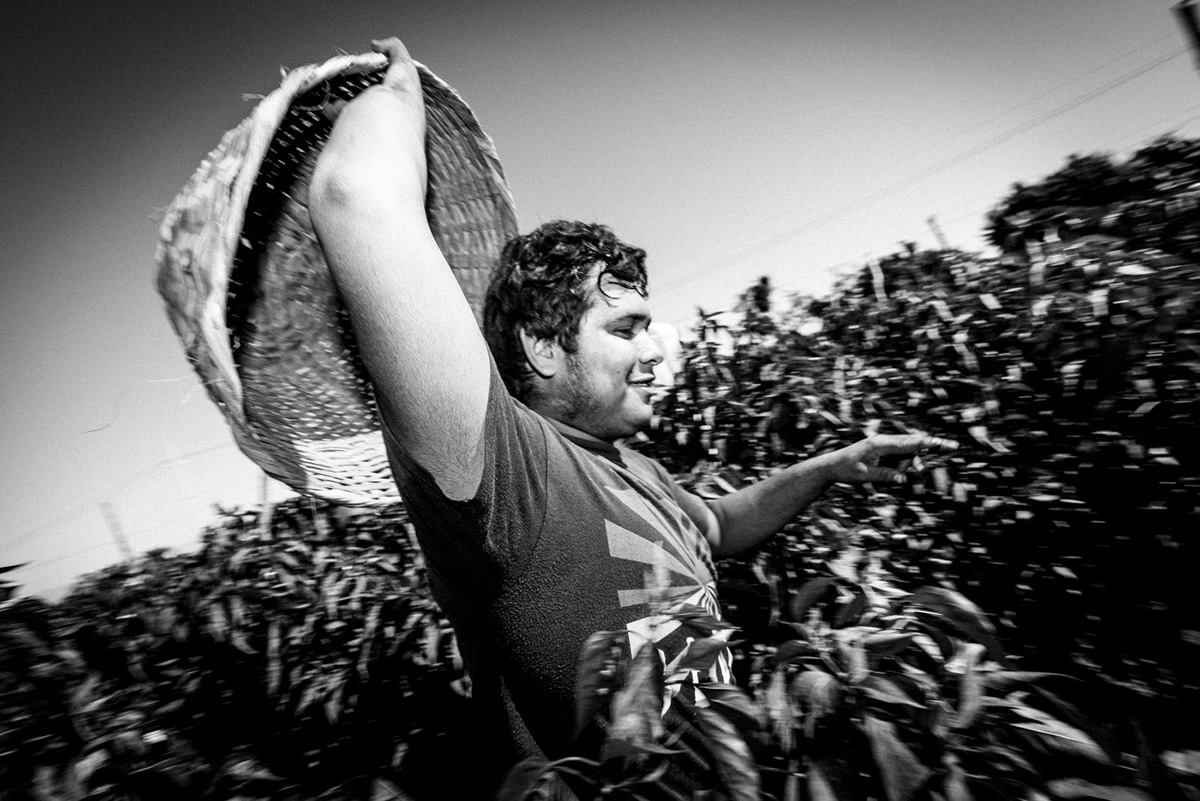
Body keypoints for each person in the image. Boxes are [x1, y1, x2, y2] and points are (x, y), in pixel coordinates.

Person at [309, 37, 956, 798]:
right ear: (544, 348)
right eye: (625, 330)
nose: (656, 351)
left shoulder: (637, 471)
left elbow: (716, 526)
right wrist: (401, 100)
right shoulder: (507, 476)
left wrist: (831, 466)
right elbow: (356, 196)